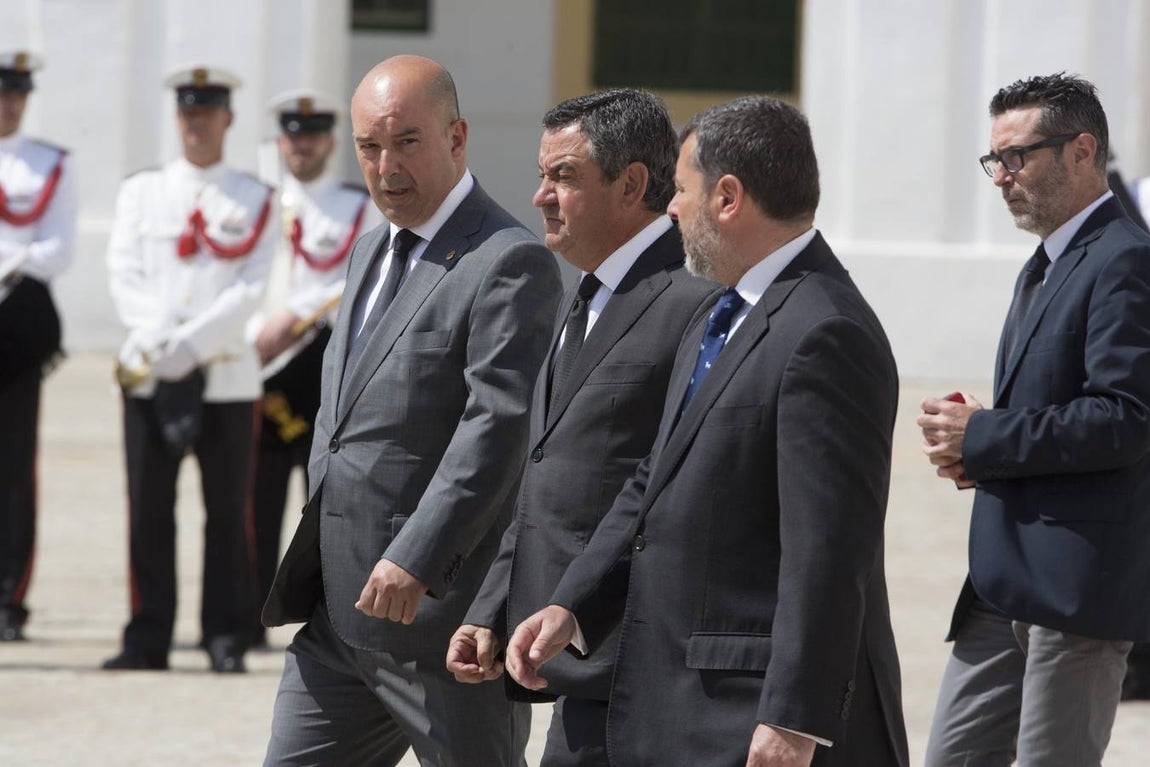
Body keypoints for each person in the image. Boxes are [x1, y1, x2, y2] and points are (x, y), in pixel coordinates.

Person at [504, 96, 909, 767]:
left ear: (727, 197)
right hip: (671, 701)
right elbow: (652, 479)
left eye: (681, 191)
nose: (670, 209)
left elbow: (831, 550)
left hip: (747, 716)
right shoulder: (723, 312)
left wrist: (794, 716)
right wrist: (573, 603)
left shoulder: (826, 331)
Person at [260, 55, 561, 766]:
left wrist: (416, 556)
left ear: (457, 138)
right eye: (369, 146)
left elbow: (496, 429)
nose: (386, 166)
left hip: (439, 624)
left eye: (407, 142)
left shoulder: (508, 261)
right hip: (339, 614)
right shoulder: (368, 250)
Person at [446, 88, 716, 766]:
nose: (541, 196)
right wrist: (492, 607)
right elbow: (545, 476)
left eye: (563, 176)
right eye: (543, 175)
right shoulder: (587, 297)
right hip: (572, 662)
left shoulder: (695, 305)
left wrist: (571, 605)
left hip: (645, 668)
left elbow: (659, 488)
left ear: (631, 185)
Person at [919, 73, 1150, 766]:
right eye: (994, 160)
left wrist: (984, 436)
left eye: (1017, 157)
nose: (1001, 178)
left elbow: (1125, 419)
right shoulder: (1048, 261)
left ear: (1082, 151)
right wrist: (974, 450)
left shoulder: (1127, 259)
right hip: (1001, 583)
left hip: (1074, 589)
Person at [103, 66, 275, 673]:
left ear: (228, 119)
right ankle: (147, 636)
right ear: (177, 119)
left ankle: (224, 636)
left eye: (208, 112)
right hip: (152, 372)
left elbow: (251, 287)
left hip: (224, 377)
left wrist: (192, 346)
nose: (196, 122)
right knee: (148, 510)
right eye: (188, 112)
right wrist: (163, 343)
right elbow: (123, 272)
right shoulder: (142, 191)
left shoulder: (255, 198)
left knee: (228, 514)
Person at [247, 90, 381, 648]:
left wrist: (297, 315)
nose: (302, 146)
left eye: (313, 136)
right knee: (254, 498)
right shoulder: (256, 200)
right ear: (280, 142)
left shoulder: (356, 204)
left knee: (323, 496)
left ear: (330, 142)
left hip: (319, 362)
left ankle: (324, 616)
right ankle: (250, 615)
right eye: (293, 136)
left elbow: (362, 273)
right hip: (256, 364)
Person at [0, 50, 77, 643]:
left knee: (13, 468)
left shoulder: (50, 163)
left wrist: (9, 263)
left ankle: (8, 597)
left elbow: (58, 250)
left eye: (18, 94)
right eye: (3, 92)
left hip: (16, 323)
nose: (9, 104)